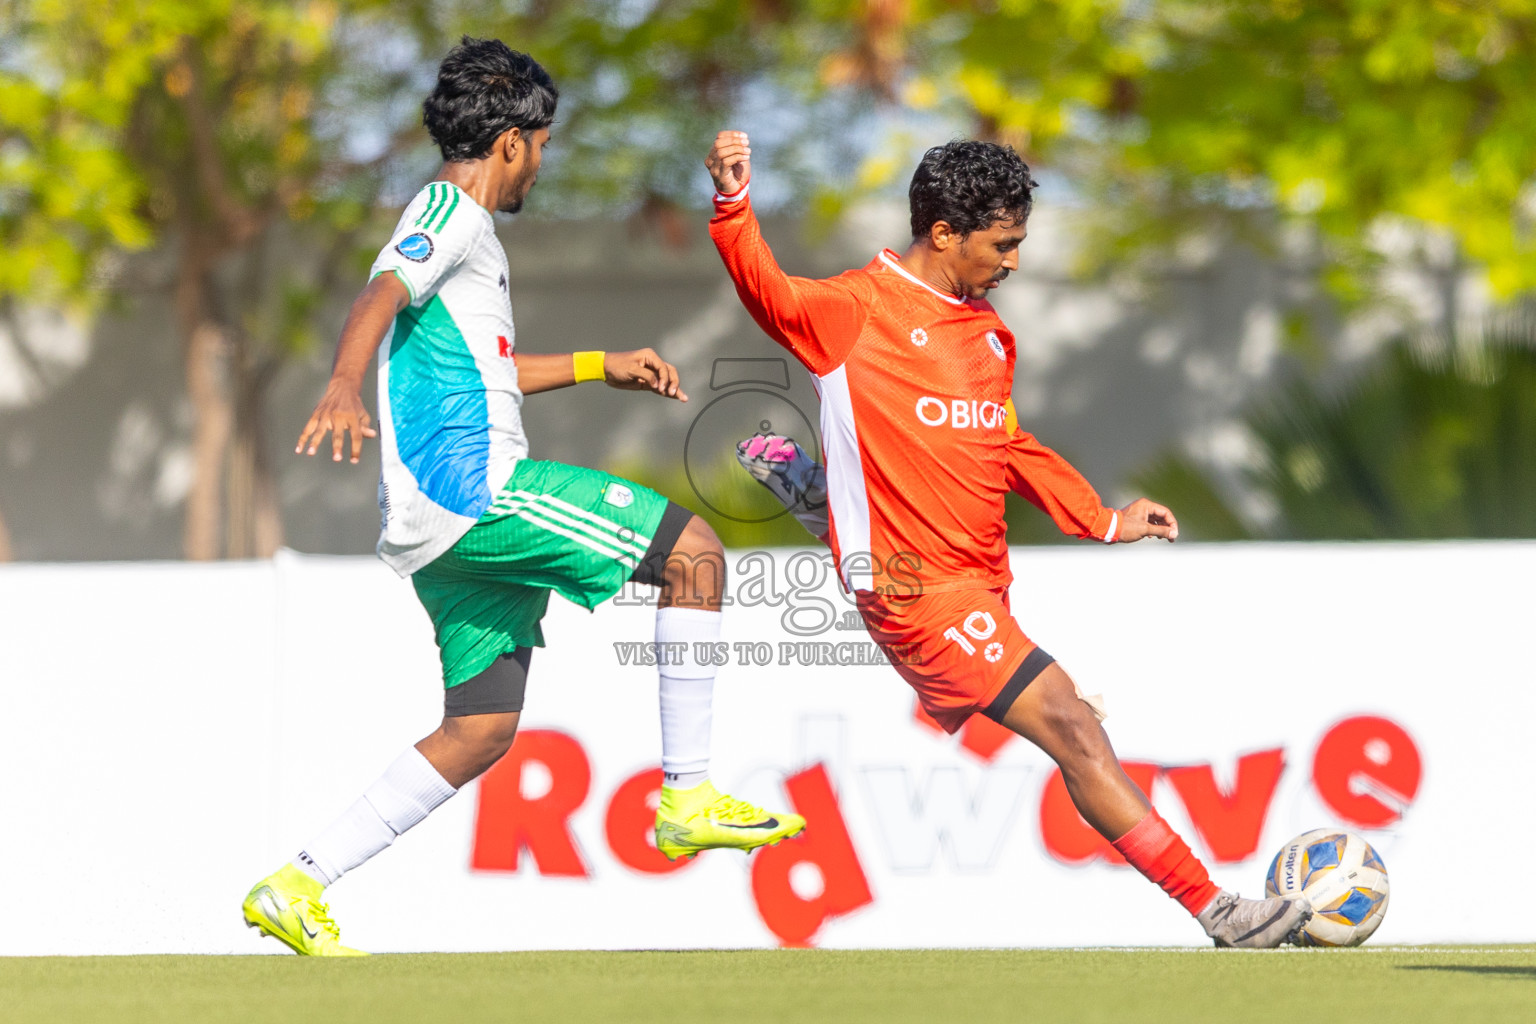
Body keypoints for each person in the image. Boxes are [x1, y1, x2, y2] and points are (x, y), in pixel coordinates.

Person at [239, 41, 804, 958]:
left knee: (481, 729)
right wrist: (343, 384)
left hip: (431, 533)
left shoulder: (465, 238)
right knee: (697, 551)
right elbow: (379, 293)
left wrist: (596, 365)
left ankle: (295, 880)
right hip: (479, 499)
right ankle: (689, 793)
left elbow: (487, 368)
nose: (542, 163)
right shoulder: (448, 212)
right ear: (510, 142)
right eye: (540, 145)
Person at [706, 130, 1312, 948]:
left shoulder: (987, 332)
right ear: (945, 234)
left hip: (978, 580)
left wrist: (1098, 517)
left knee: (1074, 722)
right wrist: (735, 204)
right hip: (915, 589)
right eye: (1005, 243)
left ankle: (833, 503)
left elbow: (1005, 442)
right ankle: (1216, 909)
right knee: (1073, 726)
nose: (1015, 261)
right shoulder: (857, 308)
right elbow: (766, 290)